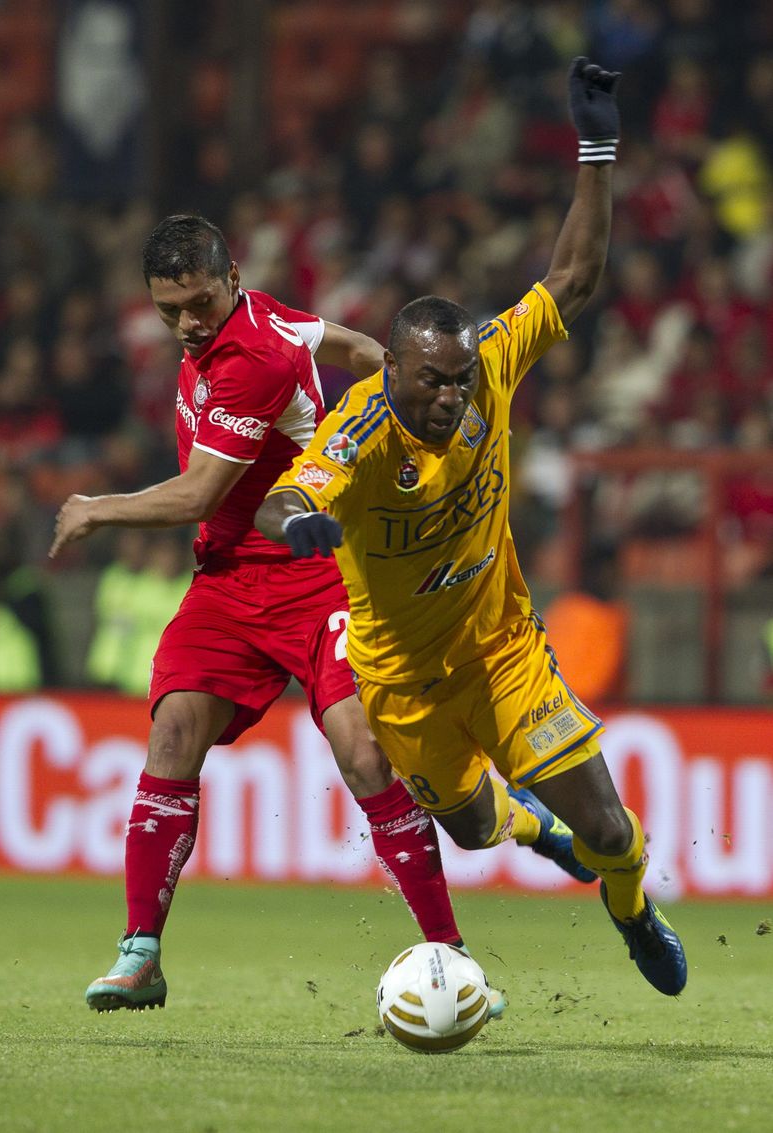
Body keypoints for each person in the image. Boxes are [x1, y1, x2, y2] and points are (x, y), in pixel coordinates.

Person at [50, 213, 589, 1012]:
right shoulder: (267, 317)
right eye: (169, 311)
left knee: (364, 751)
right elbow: (363, 350)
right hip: (228, 580)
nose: (186, 324)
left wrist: (98, 507)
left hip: (312, 570)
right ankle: (140, 955)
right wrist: (384, 401)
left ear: (230, 277)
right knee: (171, 733)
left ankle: (451, 953)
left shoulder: (254, 356)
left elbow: (200, 491)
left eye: (198, 302)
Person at [256, 58, 687, 997]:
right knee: (475, 827)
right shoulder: (359, 431)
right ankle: (534, 828)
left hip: (501, 650)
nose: (453, 395)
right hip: (403, 681)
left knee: (612, 828)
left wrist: (598, 150)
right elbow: (289, 495)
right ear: (393, 373)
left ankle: (633, 910)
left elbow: (570, 278)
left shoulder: (490, 365)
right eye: (433, 381)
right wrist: (299, 524)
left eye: (459, 379)